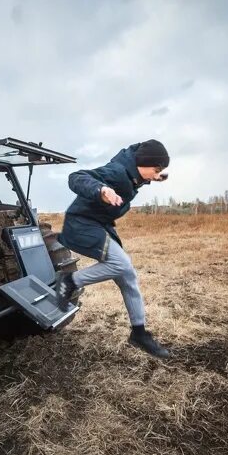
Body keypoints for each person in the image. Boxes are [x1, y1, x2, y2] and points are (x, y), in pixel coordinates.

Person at [56, 140, 171, 358]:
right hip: (81, 224)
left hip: (99, 225)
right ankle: (70, 281)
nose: (156, 174)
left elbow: (137, 179)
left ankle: (139, 333)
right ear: (144, 162)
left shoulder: (132, 175)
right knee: (120, 263)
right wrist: (101, 189)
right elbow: (76, 177)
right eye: (156, 169)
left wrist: (154, 178)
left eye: (160, 171)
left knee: (127, 274)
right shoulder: (118, 172)